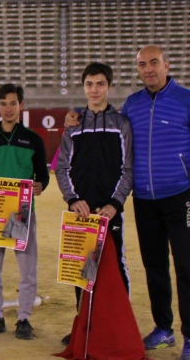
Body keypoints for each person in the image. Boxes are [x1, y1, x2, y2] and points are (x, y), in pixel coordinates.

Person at [70, 47, 190, 360]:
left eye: (154, 63)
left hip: (180, 197)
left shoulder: (188, 100)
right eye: (142, 64)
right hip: (145, 200)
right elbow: (108, 129)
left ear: (167, 64)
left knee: (185, 267)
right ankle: (164, 328)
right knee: (154, 267)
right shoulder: (133, 105)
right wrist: (75, 117)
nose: (148, 69)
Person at [55, 62, 134, 344]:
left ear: (109, 86)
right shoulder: (73, 126)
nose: (94, 90)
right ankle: (84, 325)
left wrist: (115, 203)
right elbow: (62, 168)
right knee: (80, 269)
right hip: (80, 211)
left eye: (100, 84)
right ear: (83, 87)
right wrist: (73, 199)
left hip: (109, 211)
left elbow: (128, 170)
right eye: (89, 84)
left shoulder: (121, 124)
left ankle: (119, 327)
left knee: (116, 268)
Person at [0, 83, 48, 340]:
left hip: (23, 213)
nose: (8, 108)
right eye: (4, 103)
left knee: (28, 269)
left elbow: (43, 176)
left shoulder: (33, 139)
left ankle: (24, 318)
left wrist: (40, 186)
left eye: (13, 103)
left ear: (21, 106)